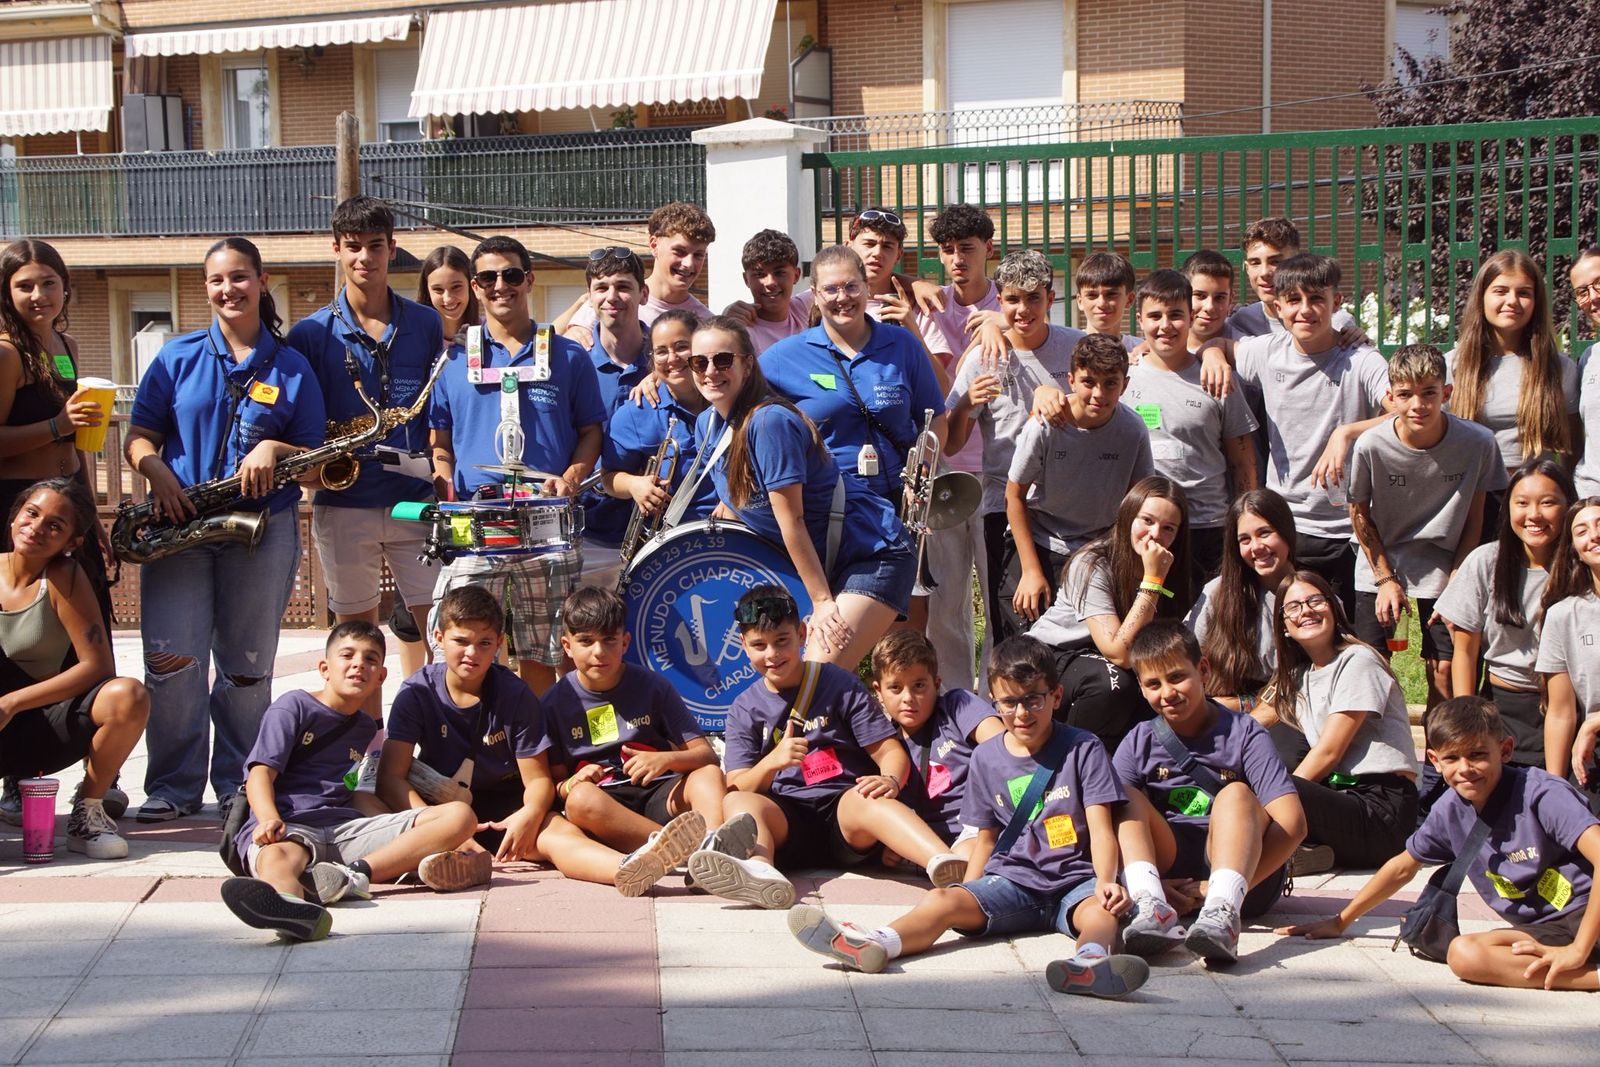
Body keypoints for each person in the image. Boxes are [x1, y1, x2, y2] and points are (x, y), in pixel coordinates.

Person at [787, 634, 1150, 998]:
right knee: (943, 900)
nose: (1022, 713)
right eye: (1009, 702)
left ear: (1056, 696)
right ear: (995, 701)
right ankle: (875, 942)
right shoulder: (986, 758)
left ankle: (1089, 963)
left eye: (1033, 700)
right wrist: (970, 890)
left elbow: (1101, 830)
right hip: (1013, 879)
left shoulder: (1083, 747)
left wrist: (1106, 880)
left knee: (1102, 913)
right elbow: (986, 839)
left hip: (1074, 880)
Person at [126, 237, 325, 822]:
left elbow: (316, 463)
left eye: (239, 277)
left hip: (260, 531)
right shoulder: (176, 356)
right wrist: (154, 470)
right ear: (205, 287)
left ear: (261, 282)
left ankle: (240, 783)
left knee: (246, 667)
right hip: (179, 526)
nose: (228, 289)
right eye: (217, 280)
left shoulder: (292, 367)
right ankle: (172, 787)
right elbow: (140, 436)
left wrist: (276, 447)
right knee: (172, 663)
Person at [377, 585, 702, 896]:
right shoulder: (417, 692)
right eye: (461, 641)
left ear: (500, 643)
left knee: (559, 835)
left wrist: (530, 815)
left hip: (507, 806)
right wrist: (437, 825)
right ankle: (450, 858)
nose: (472, 653)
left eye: (485, 643)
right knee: (386, 815)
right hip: (439, 808)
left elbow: (537, 780)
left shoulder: (514, 694)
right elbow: (391, 778)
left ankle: (628, 869)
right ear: (438, 638)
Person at [1280, 696, 1600, 992]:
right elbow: (1402, 866)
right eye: (1452, 758)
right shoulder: (1450, 810)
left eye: (1478, 755)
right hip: (1545, 928)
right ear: (1434, 760)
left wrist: (1579, 949)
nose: (1465, 769)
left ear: (1505, 750)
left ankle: (1582, 963)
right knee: (1464, 954)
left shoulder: (1542, 793)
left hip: (1589, 914)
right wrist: (1341, 921)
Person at [698, 586, 966, 908]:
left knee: (869, 796)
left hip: (846, 814)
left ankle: (944, 863)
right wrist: (772, 762)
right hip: (787, 820)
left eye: (782, 641)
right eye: (759, 645)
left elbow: (889, 750)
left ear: (802, 634)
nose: (772, 654)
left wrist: (891, 780)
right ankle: (760, 871)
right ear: (744, 645)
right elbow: (737, 786)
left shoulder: (839, 684)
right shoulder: (744, 708)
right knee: (739, 803)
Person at [220, 622, 487, 942]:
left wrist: (408, 824)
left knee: (460, 815)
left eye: (370, 659)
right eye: (347, 655)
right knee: (278, 857)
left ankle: (354, 875)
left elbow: (352, 791)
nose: (359, 664)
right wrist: (268, 818)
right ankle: (292, 907)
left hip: (343, 831)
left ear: (381, 677)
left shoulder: (364, 728)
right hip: (290, 826)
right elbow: (260, 773)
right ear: (324, 668)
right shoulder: (293, 706)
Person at [427, 235, 604, 695]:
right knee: (462, 645)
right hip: (476, 521)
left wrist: (572, 476)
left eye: (510, 274)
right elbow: (440, 442)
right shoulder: (452, 361)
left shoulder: (568, 355)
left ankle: (545, 735)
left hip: (547, 519)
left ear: (529, 279)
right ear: (475, 285)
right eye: (487, 277)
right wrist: (443, 480)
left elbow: (590, 431)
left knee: (549, 648)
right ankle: (475, 733)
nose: (499, 285)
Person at [690, 316, 916, 668]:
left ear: (747, 364)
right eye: (698, 362)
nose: (710, 371)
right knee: (789, 679)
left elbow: (791, 521)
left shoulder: (769, 422)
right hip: (819, 564)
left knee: (815, 677)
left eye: (722, 360)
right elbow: (736, 504)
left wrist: (822, 602)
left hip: (872, 554)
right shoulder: (707, 425)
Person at [287, 197, 444, 700]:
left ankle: (435, 731)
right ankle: (365, 737)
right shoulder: (310, 333)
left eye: (375, 246)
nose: (364, 258)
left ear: (392, 249)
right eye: (353, 246)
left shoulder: (425, 323)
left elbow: (439, 407)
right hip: (344, 502)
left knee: (438, 629)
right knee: (355, 644)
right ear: (336, 249)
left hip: (414, 501)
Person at [0, 239, 118, 823]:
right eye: (24, 285)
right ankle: (15, 775)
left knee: (84, 642)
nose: (38, 295)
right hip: (16, 510)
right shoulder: (6, 353)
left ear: (65, 287)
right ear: (7, 292)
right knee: (20, 644)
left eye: (48, 282)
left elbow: (80, 443)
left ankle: (100, 775)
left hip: (68, 506)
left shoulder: (66, 348)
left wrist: (91, 515)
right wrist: (55, 423)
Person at [1113, 621, 1308, 962]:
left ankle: (1224, 915)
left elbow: (1293, 824)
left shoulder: (1246, 733)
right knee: (1120, 799)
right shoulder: (1139, 739)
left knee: (1235, 794)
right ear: (1141, 689)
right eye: (1153, 684)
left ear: (1203, 670)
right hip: (1171, 867)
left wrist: (1217, 890)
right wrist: (1147, 884)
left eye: (1177, 677)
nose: (1167, 693)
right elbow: (1105, 824)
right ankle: (1150, 905)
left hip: (1244, 872)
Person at [945, 249, 1086, 662]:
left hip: (1069, 508)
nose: (1023, 310)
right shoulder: (982, 358)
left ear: (1051, 298)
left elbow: (1103, 405)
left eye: (1033, 298)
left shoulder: (1075, 347)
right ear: (1000, 301)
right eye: (1012, 299)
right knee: (1012, 626)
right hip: (1003, 509)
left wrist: (1061, 398)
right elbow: (951, 444)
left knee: (1073, 624)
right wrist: (966, 404)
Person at [1230, 253, 1390, 617]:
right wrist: (1211, 355)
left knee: (1351, 632)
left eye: (1317, 298)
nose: (1305, 309)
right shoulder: (1266, 352)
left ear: (1336, 302)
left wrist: (1347, 432)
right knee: (1292, 628)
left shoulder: (1361, 359)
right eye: (1293, 300)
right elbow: (1214, 347)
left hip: (1349, 528)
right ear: (1278, 307)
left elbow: (1408, 413)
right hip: (1286, 526)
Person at [1348, 344, 1506, 708]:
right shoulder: (1371, 445)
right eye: (1405, 394)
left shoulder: (1478, 442)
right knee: (1370, 666)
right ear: (1391, 397)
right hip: (1382, 558)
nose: (1418, 405)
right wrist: (1385, 579)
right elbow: (1358, 514)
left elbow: (1476, 517)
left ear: (1446, 392)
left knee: (1445, 670)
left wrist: (1459, 580)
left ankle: (1444, 739)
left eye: (1429, 393)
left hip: (1447, 560)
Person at [0, 478, 148, 858]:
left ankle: (88, 814)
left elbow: (97, 666)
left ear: (72, 542)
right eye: (31, 514)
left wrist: (11, 703)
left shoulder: (64, 577)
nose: (36, 528)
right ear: (14, 516)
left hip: (42, 727)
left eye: (54, 525)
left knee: (128, 696)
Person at [545, 587, 751, 858]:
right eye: (586, 641)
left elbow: (706, 756)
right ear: (567, 646)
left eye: (609, 640)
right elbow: (553, 785)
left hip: (659, 792)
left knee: (708, 775)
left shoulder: (653, 686)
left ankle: (715, 849)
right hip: (604, 806)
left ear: (625, 642)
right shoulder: (552, 704)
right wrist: (571, 783)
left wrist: (665, 760)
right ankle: (685, 852)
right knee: (579, 800)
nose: (599, 652)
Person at [759, 245, 947, 506]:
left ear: (867, 287)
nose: (842, 297)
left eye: (851, 287)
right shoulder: (784, 356)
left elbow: (935, 418)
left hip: (898, 502)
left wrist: (923, 466)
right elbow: (737, 415)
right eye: (830, 289)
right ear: (814, 294)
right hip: (825, 504)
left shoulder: (903, 344)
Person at [1004, 334, 1154, 641]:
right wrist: (1031, 571)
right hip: (1043, 542)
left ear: (1124, 385)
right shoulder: (1044, 426)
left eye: (1110, 384)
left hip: (1101, 548)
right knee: (1024, 645)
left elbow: (1140, 500)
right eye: (1089, 382)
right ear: (1071, 380)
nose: (1099, 394)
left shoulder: (1133, 430)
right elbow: (1014, 495)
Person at [1268, 569, 1420, 872]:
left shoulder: (1359, 660)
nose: (1306, 611)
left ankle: (1274, 853)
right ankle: (1314, 853)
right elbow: (1257, 718)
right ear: (1283, 625)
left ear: (1334, 609)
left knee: (1272, 789)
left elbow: (1329, 753)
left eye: (1315, 601)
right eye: (1293, 607)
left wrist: (1275, 799)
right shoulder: (1299, 676)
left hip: (1381, 810)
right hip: (1340, 801)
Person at [1027, 476, 1190, 755]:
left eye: (1168, 528)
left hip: (1103, 659)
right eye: (1147, 521)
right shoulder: (1093, 563)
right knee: (1113, 685)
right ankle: (1071, 764)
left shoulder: (1175, 567)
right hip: (1051, 655)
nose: (1155, 534)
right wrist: (1153, 581)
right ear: (1128, 517)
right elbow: (1119, 652)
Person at [1435, 459, 1575, 772]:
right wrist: (1468, 722)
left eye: (1548, 503)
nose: (1534, 515)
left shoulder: (1582, 568)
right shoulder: (1486, 561)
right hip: (1503, 706)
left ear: (1569, 506)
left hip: (1571, 706)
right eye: (1522, 503)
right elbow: (1465, 652)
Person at [1122, 269, 1258, 577]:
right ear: (1140, 320)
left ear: (1191, 316)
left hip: (1208, 528)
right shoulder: (1124, 381)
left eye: (1175, 315)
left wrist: (1244, 520)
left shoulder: (1217, 377)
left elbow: (1243, 461)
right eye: (1155, 316)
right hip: (1146, 530)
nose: (1165, 325)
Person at [917, 204, 1003, 690]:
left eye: (966, 249)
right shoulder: (929, 304)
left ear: (988, 248)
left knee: (995, 593)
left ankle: (996, 694)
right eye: (947, 250)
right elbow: (942, 388)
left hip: (995, 471)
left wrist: (999, 323)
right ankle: (952, 697)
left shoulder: (1008, 305)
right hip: (942, 469)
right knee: (945, 597)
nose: (956, 260)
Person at [1449, 250, 1579, 498]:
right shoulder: (1453, 366)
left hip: (1535, 499)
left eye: (1524, 293)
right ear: (1482, 297)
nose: (1512, 301)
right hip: (1470, 498)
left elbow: (1574, 447)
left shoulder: (1558, 367)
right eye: (1500, 291)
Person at [1187, 489, 1304, 761]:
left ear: (1287, 532)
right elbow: (1184, 659)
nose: (1256, 547)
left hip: (1286, 711)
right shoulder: (1217, 592)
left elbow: (1307, 686)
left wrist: (1241, 708)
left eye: (1265, 533)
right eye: (1244, 539)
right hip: (1216, 706)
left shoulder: (1310, 598)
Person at [868, 629, 1004, 861]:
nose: (908, 698)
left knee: (967, 856)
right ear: (878, 691)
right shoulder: (884, 745)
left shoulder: (957, 706)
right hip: (933, 844)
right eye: (895, 687)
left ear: (937, 684)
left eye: (919, 685)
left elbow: (1004, 747)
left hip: (985, 825)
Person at [601, 310, 717, 553]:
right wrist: (634, 485)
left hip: (734, 532)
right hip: (671, 544)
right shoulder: (635, 413)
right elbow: (608, 477)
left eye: (682, 347)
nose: (672, 358)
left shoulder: (727, 397)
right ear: (652, 359)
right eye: (661, 351)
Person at [575, 247, 653, 590]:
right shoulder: (572, 362)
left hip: (657, 529)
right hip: (588, 531)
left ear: (643, 293)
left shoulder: (670, 362)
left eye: (623, 286)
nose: (612, 297)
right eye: (601, 287)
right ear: (589, 296)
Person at [560, 202, 714, 344]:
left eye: (698, 255)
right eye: (679, 251)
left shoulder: (706, 324)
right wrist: (576, 330)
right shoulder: (610, 301)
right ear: (654, 245)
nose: (689, 264)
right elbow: (566, 344)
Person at [1539, 496, 1600, 792]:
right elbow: (1561, 712)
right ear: (1575, 550)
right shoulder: (1563, 615)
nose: (1594, 535)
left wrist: (1595, 722)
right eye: (1582, 531)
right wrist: (1555, 790)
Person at [1229, 217, 1360, 339]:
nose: (1264, 273)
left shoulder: (1336, 324)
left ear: (1297, 262)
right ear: (1247, 268)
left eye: (1275, 262)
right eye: (1255, 263)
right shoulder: (1241, 322)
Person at [726, 228, 811, 354]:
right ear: (746, 279)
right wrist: (722, 323)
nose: (770, 282)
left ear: (796, 275)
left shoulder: (800, 309)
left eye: (779, 273)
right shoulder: (741, 332)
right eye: (760, 274)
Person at [1568, 247, 1600, 498]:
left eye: (1599, 283)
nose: (1593, 297)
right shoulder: (1589, 358)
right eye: (1582, 292)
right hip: (1591, 499)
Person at [418, 244, 480, 347]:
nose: (448, 299)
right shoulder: (415, 338)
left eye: (456, 287)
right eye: (438, 289)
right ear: (427, 291)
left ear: (471, 285)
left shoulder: (489, 333)